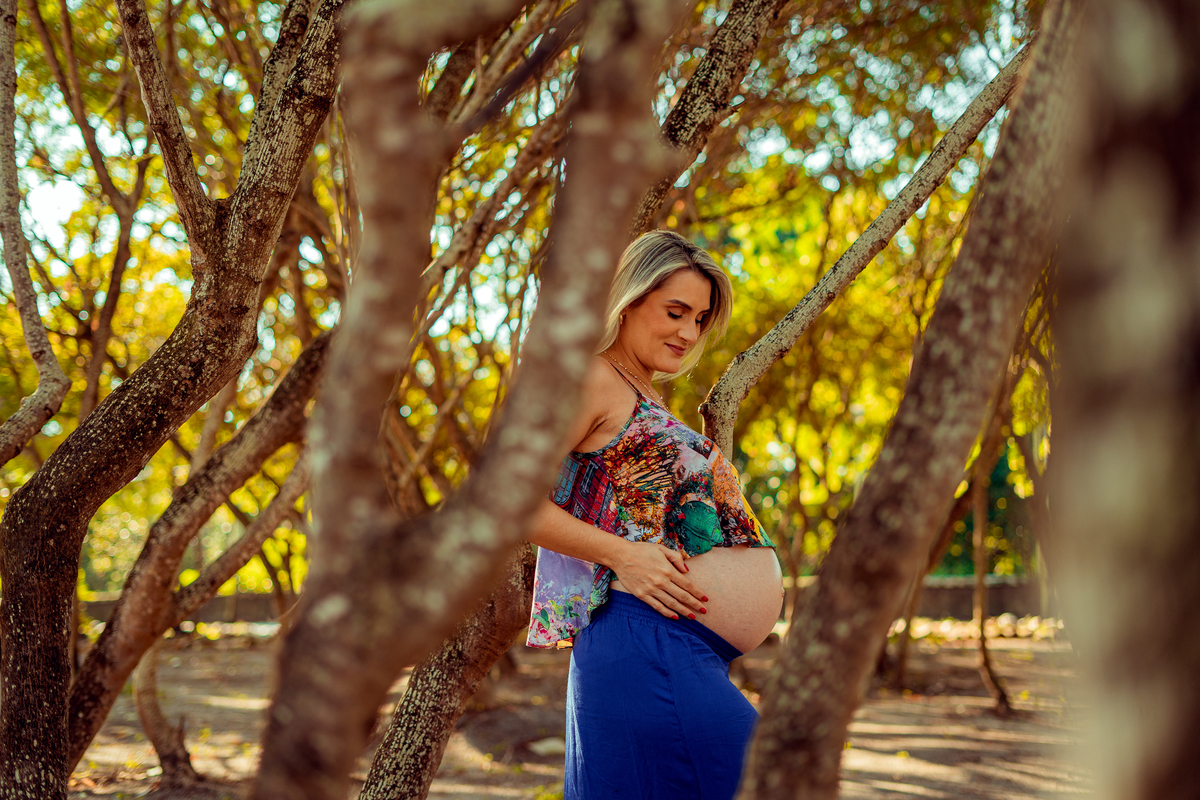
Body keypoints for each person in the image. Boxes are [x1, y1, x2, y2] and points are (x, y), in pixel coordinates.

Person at [525, 230, 784, 800]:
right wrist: (622, 554)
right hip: (644, 639)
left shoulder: (640, 392)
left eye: (700, 319)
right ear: (629, 298)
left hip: (674, 646)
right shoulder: (591, 378)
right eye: (676, 311)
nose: (689, 332)